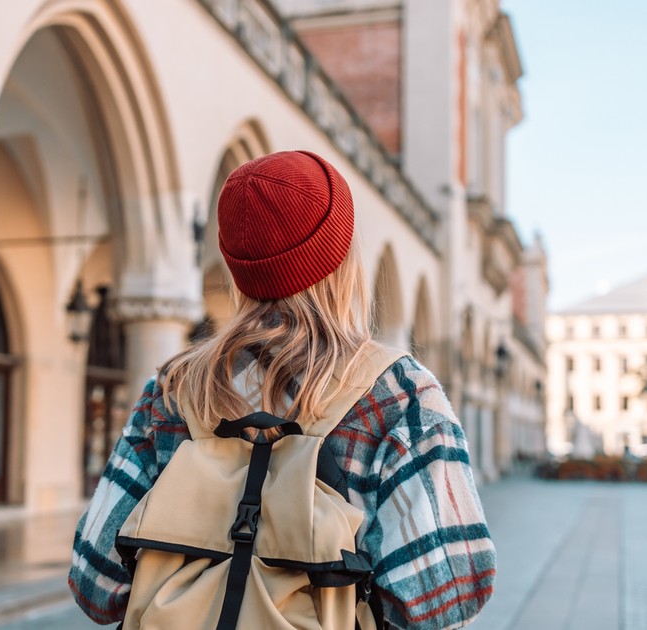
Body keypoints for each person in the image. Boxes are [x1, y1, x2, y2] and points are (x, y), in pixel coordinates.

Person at [69, 150, 496, 628]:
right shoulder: (399, 395)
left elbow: (95, 583)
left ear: (236, 265)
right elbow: (443, 599)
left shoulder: (171, 392)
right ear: (341, 257)